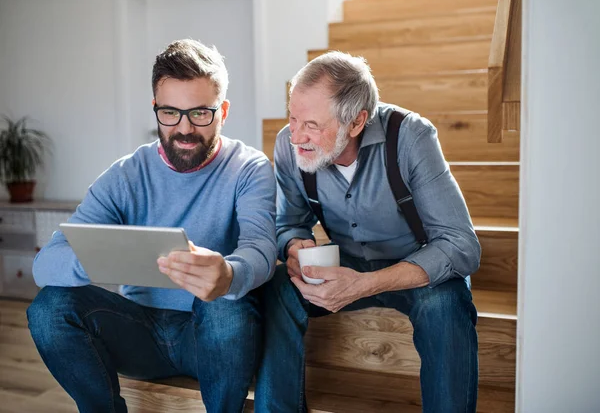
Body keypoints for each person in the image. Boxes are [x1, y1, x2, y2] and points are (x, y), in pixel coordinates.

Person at [26, 39, 277, 413]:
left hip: (211, 335)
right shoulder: (126, 174)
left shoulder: (250, 168)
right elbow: (44, 265)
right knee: (48, 308)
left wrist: (228, 273)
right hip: (138, 332)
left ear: (222, 111)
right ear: (155, 109)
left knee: (226, 302)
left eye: (201, 114)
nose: (185, 128)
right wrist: (100, 256)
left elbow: (261, 248)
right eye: (171, 113)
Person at [254, 51, 481, 413]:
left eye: (311, 124)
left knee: (446, 303)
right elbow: (290, 222)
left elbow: (461, 246)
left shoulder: (410, 136)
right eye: (292, 118)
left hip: (414, 268)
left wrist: (364, 284)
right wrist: (296, 245)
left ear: (357, 122)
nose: (296, 135)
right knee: (277, 287)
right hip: (346, 261)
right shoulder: (288, 143)